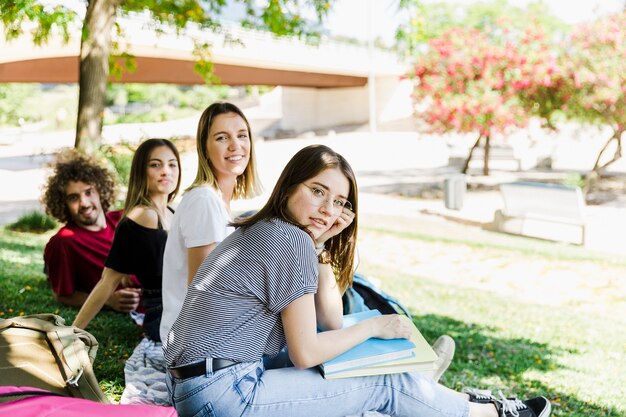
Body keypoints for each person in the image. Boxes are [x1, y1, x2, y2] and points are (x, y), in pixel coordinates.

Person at [164, 144, 551, 417]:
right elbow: (307, 352)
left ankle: (438, 398)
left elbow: (330, 321)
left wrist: (320, 244)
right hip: (225, 397)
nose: (327, 210)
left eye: (338, 202)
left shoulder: (273, 231)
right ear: (289, 186)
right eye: (317, 192)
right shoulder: (285, 239)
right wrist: (375, 325)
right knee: (384, 384)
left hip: (200, 387)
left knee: (352, 362)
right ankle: (487, 414)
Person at [73, 138, 181, 405]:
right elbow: (107, 281)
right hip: (164, 316)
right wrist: (74, 332)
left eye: (172, 164)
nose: (166, 171)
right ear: (142, 172)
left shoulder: (170, 211)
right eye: (156, 165)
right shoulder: (142, 217)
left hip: (181, 306)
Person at [159, 102, 261, 345]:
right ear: (205, 149)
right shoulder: (203, 201)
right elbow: (203, 294)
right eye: (222, 138)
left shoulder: (218, 200)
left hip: (212, 332)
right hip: (197, 343)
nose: (236, 145)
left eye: (242, 135)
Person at [42, 150, 140, 312]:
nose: (84, 203)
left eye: (89, 192)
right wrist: (107, 300)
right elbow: (63, 295)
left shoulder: (126, 217)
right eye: (73, 198)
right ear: (63, 203)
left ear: (100, 191)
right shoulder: (63, 242)